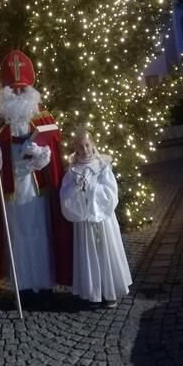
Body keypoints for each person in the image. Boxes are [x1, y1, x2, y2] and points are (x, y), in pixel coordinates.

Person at [0, 50, 72, 306]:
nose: (18, 94)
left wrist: (41, 154)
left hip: (36, 190)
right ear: (6, 92)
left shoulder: (43, 118)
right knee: (17, 237)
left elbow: (53, 151)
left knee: (41, 235)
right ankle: (23, 287)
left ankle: (44, 286)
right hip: (12, 191)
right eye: (14, 90)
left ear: (30, 91)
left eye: (22, 90)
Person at [60, 128, 132, 309]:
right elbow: (65, 195)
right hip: (84, 222)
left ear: (92, 145)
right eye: (80, 147)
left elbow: (111, 192)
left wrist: (92, 189)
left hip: (103, 220)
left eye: (87, 145)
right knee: (89, 253)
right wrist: (76, 189)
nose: (84, 150)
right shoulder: (72, 171)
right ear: (75, 149)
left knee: (105, 251)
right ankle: (94, 293)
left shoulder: (102, 166)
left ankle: (109, 292)